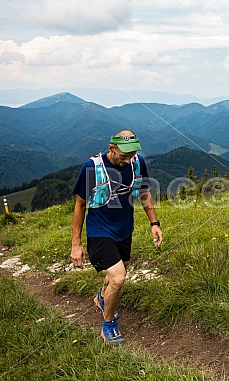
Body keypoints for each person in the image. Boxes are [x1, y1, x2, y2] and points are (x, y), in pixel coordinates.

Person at [71, 129, 163, 344]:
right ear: (111, 148)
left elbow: (144, 193)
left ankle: (102, 298)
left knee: (118, 273)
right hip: (99, 232)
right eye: (123, 156)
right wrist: (76, 244)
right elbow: (80, 205)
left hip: (124, 230)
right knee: (119, 277)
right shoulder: (91, 168)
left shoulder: (137, 163)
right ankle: (108, 325)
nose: (127, 160)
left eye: (131, 156)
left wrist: (154, 223)